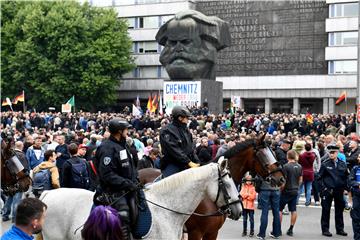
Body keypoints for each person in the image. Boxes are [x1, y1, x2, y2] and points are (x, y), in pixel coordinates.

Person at [93, 118, 139, 240]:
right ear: (119, 131)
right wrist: (127, 183)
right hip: (111, 190)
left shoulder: (122, 146)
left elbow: (129, 168)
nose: (128, 131)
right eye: (126, 129)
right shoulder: (107, 148)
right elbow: (107, 174)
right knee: (123, 213)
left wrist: (135, 181)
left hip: (127, 187)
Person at [156, 10, 231, 80]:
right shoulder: (171, 61)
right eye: (173, 43)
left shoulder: (208, 51)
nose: (178, 48)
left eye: (186, 42)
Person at [318, 143, 349, 237]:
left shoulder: (342, 164)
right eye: (330, 152)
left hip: (339, 190)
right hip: (328, 191)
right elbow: (319, 178)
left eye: (333, 152)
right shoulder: (325, 164)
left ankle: (340, 229)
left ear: (337, 153)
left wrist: (346, 188)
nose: (331, 154)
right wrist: (323, 189)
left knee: (339, 210)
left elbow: (345, 177)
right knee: (326, 210)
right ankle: (325, 229)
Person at [160, 106, 200, 177]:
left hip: (186, 163)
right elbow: (174, 150)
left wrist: (197, 161)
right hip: (173, 163)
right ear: (180, 118)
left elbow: (191, 148)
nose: (188, 120)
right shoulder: (166, 130)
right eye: (187, 118)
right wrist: (188, 162)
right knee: (170, 183)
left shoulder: (186, 130)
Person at [2, 141, 29, 222]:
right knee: (17, 200)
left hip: (9, 181)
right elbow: (24, 169)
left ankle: (5, 215)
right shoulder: (21, 155)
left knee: (9, 198)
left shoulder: (9, 155)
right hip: (19, 180)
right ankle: (14, 217)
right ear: (22, 146)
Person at [279, 150, 303, 237]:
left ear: (288, 156)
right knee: (293, 210)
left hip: (286, 190)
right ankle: (291, 229)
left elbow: (284, 181)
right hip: (295, 190)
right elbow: (301, 180)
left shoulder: (285, 166)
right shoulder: (299, 166)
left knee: (279, 209)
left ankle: (278, 228)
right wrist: (297, 187)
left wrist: (281, 189)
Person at [349, 154, 360, 240]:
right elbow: (350, 180)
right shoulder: (355, 168)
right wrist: (357, 184)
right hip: (357, 196)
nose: (358, 158)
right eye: (358, 157)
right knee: (355, 217)